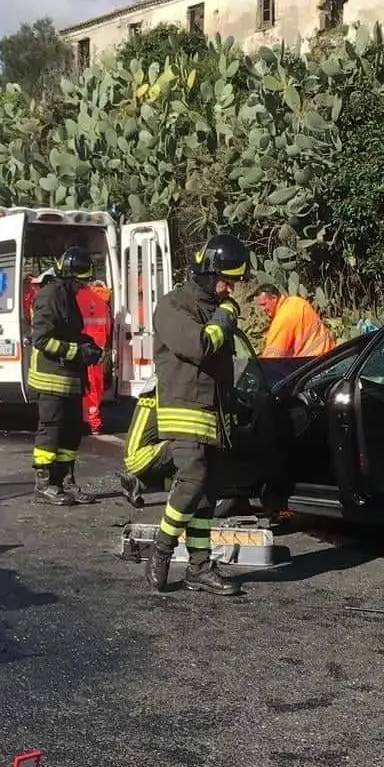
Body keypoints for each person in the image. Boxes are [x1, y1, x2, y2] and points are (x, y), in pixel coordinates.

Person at [144, 233, 251, 596]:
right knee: (192, 479)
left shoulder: (215, 308)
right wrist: (226, 315)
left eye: (233, 283)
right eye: (225, 280)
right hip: (184, 408)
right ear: (207, 271)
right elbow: (200, 345)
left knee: (207, 493)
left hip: (213, 412)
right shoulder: (174, 306)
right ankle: (161, 547)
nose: (229, 288)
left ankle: (199, 568)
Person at [27, 247, 103, 505]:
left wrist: (88, 346)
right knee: (51, 430)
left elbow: (69, 331)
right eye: (80, 283)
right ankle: (44, 485)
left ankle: (65, 481)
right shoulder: (49, 296)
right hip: (51, 378)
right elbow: (42, 340)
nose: (83, 288)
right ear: (69, 276)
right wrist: (77, 352)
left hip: (70, 378)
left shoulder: (67, 296)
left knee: (71, 431)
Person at [253, 284, 334, 360]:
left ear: (274, 298)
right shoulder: (297, 301)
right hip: (331, 356)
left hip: (313, 365)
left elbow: (272, 359)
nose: (262, 309)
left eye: (264, 304)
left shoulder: (282, 318)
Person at [75, 278, 112, 434]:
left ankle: (83, 421)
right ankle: (94, 422)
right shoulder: (103, 303)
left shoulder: (79, 299)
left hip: (82, 349)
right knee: (96, 388)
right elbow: (108, 329)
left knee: (83, 387)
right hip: (99, 351)